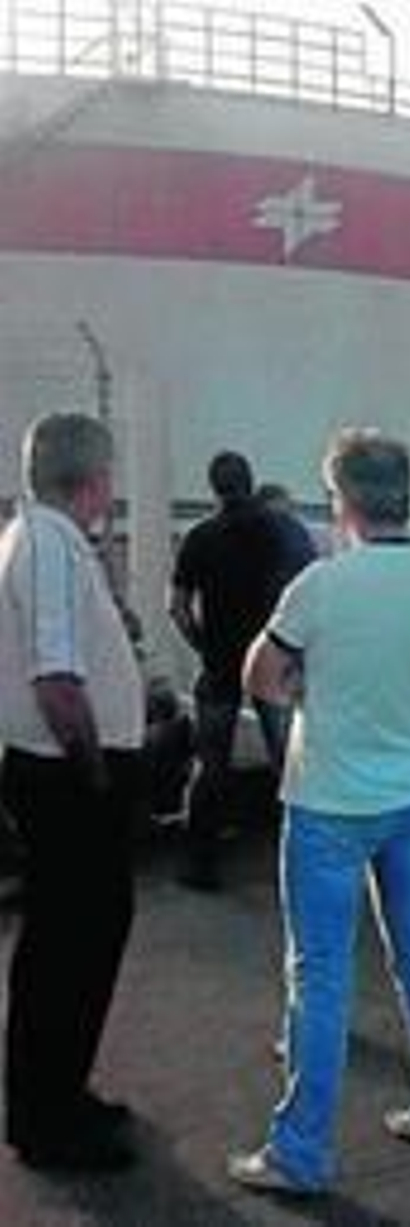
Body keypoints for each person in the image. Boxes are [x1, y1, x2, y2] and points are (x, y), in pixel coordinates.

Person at [228, 430, 410, 1195]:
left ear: (341, 498)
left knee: (322, 974)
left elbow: (259, 675)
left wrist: (311, 690)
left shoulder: (323, 586)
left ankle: (300, 1151)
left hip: (332, 798)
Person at [1, 413, 145, 1172]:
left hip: (55, 771)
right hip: (67, 776)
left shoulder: (38, 538)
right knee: (73, 940)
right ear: (95, 478)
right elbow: (57, 681)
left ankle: (56, 1089)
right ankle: (46, 1117)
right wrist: (96, 775)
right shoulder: (50, 543)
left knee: (73, 937)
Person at [169, 451, 308, 890]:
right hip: (274, 655)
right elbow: (311, 587)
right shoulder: (283, 529)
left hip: (221, 660)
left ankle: (200, 863)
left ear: (214, 487)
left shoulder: (200, 537)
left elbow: (176, 607)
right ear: (251, 482)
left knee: (210, 764)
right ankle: (301, 858)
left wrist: (203, 644)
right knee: (289, 759)